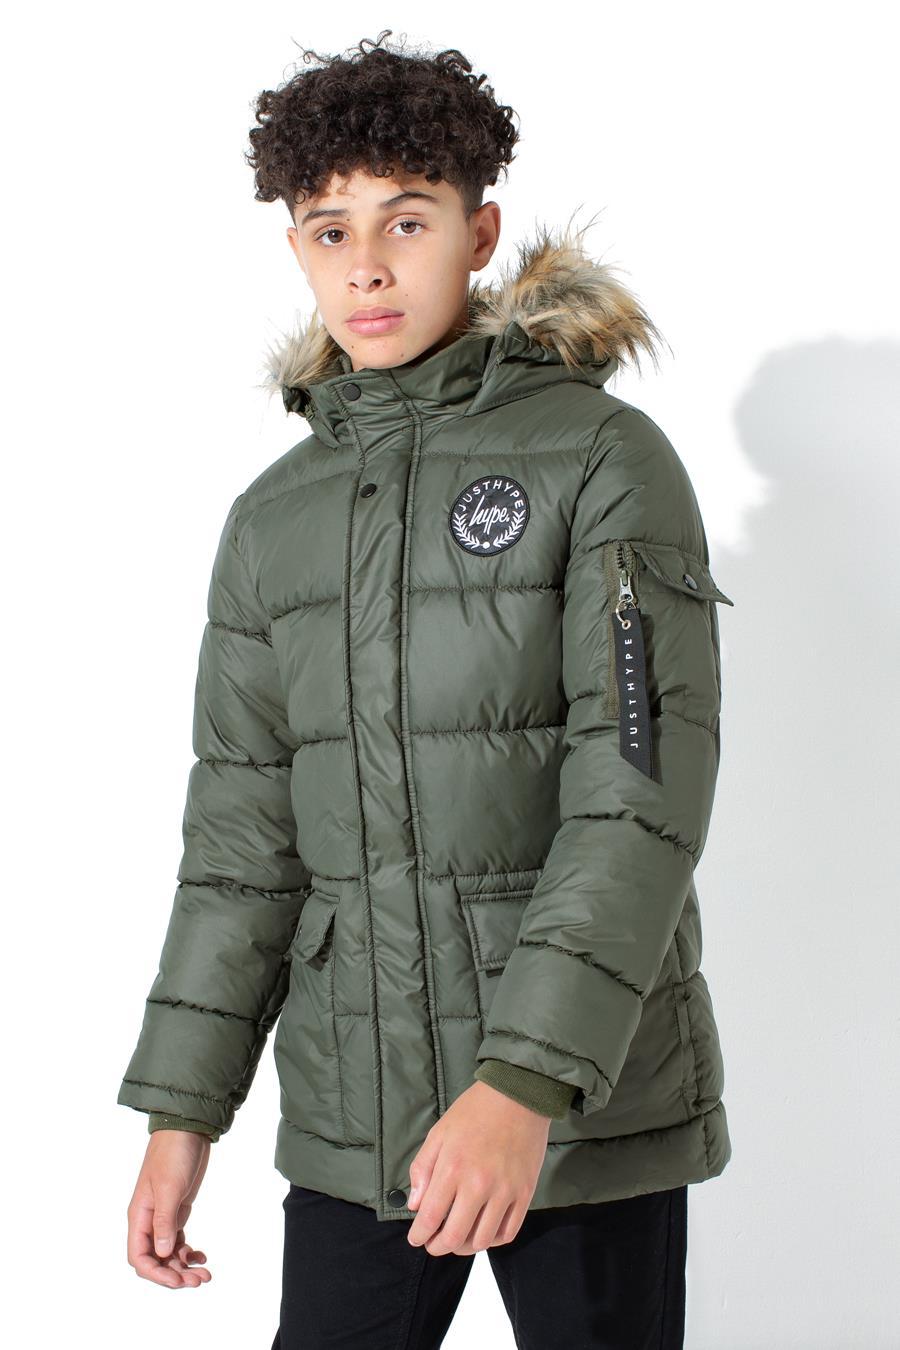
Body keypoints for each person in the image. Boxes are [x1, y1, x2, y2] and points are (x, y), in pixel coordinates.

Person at [117, 30, 735, 1349]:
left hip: (581, 1118)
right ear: (297, 249)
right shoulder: (273, 522)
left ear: (479, 231)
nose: (369, 266)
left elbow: (638, 799)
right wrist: (183, 1113)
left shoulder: (603, 461)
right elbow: (240, 846)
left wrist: (523, 1084)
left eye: (406, 221)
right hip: (359, 1114)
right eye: (330, 231)